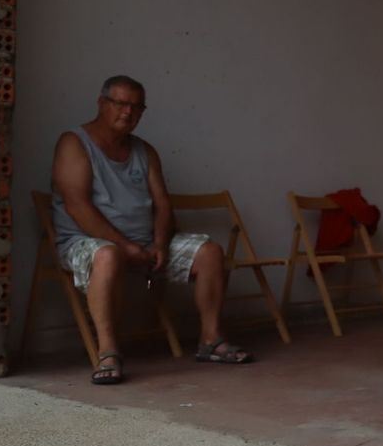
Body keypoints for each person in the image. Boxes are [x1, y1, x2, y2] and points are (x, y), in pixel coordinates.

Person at [51, 75, 252, 384]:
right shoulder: (74, 143)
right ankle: (107, 353)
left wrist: (159, 243)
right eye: (119, 104)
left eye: (136, 107)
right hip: (89, 242)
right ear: (101, 104)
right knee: (107, 254)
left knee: (209, 252)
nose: (127, 113)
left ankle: (210, 341)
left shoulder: (145, 151)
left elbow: (162, 204)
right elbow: (78, 207)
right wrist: (125, 245)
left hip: (145, 245)